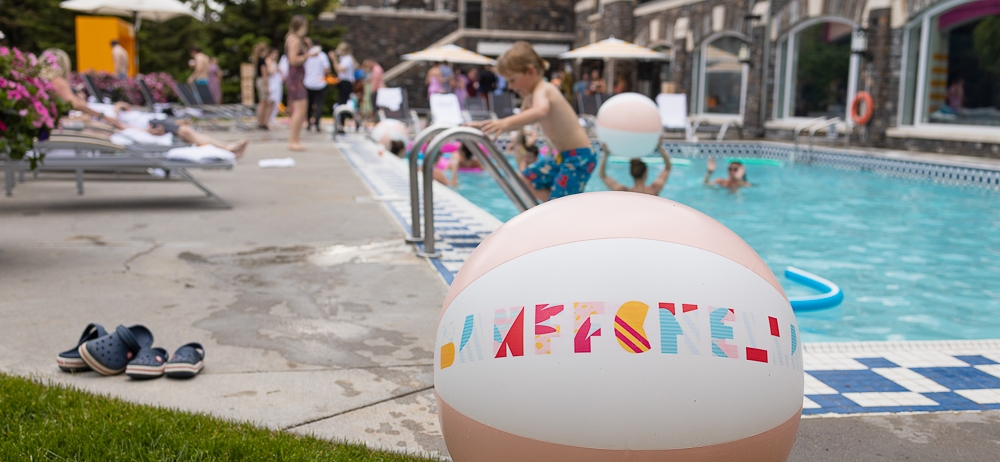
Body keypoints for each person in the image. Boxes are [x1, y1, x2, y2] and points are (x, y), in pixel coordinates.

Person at [42, 49, 248, 159]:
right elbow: (80, 108)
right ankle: (226, 148)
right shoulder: (59, 84)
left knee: (184, 131)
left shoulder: (56, 93)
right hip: (137, 124)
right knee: (184, 132)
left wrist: (116, 107)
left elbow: (81, 109)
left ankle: (225, 148)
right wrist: (106, 115)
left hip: (134, 120)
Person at [469, 41, 596, 202]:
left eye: (513, 80)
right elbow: (519, 121)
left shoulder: (544, 89)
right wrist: (483, 126)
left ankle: (557, 212)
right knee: (524, 179)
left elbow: (540, 111)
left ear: (530, 71)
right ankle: (553, 208)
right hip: (562, 156)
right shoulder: (531, 96)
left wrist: (504, 123)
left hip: (579, 158)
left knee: (559, 205)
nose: (510, 86)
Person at [284, 15, 314, 151]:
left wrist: (307, 47)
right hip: (295, 79)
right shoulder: (294, 40)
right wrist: (307, 55)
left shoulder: (293, 39)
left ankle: (295, 138)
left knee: (302, 109)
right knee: (299, 110)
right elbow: (293, 60)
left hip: (297, 79)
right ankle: (292, 141)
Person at [598, 144, 673, 195]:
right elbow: (667, 167)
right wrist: (659, 147)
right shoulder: (654, 190)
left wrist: (606, 154)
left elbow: (603, 175)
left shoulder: (624, 192)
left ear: (630, 173)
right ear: (646, 173)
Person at [303, 38, 331, 132]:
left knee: (309, 104)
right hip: (319, 83)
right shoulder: (322, 56)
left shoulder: (307, 54)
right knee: (318, 104)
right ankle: (317, 124)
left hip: (308, 82)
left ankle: (308, 123)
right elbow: (327, 69)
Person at [252, 43, 271, 129]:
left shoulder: (258, 59)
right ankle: (261, 122)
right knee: (263, 102)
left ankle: (262, 122)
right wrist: (267, 86)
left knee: (262, 102)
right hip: (262, 81)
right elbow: (264, 74)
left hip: (259, 80)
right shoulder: (262, 60)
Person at [332, 42, 356, 110]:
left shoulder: (347, 59)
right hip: (343, 81)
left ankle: (343, 118)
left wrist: (334, 59)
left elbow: (340, 69)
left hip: (346, 82)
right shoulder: (343, 58)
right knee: (341, 101)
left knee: (343, 101)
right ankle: (341, 118)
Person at [266, 48, 283, 126]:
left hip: (277, 84)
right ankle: (268, 121)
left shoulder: (275, 62)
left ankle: (271, 120)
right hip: (271, 84)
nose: (275, 56)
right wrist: (277, 69)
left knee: (276, 102)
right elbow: (271, 72)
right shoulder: (268, 61)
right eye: (274, 54)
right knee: (271, 102)